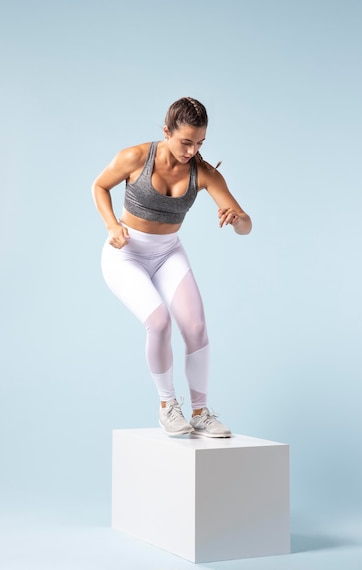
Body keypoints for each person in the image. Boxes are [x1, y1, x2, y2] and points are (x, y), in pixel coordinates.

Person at [92, 97, 252, 438]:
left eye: (199, 143)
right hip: (126, 254)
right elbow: (100, 186)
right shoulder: (134, 157)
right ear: (166, 132)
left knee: (195, 327)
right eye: (185, 142)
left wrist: (237, 219)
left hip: (168, 253)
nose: (192, 150)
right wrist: (111, 225)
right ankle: (167, 406)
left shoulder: (205, 174)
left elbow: (245, 226)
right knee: (159, 322)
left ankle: (200, 412)